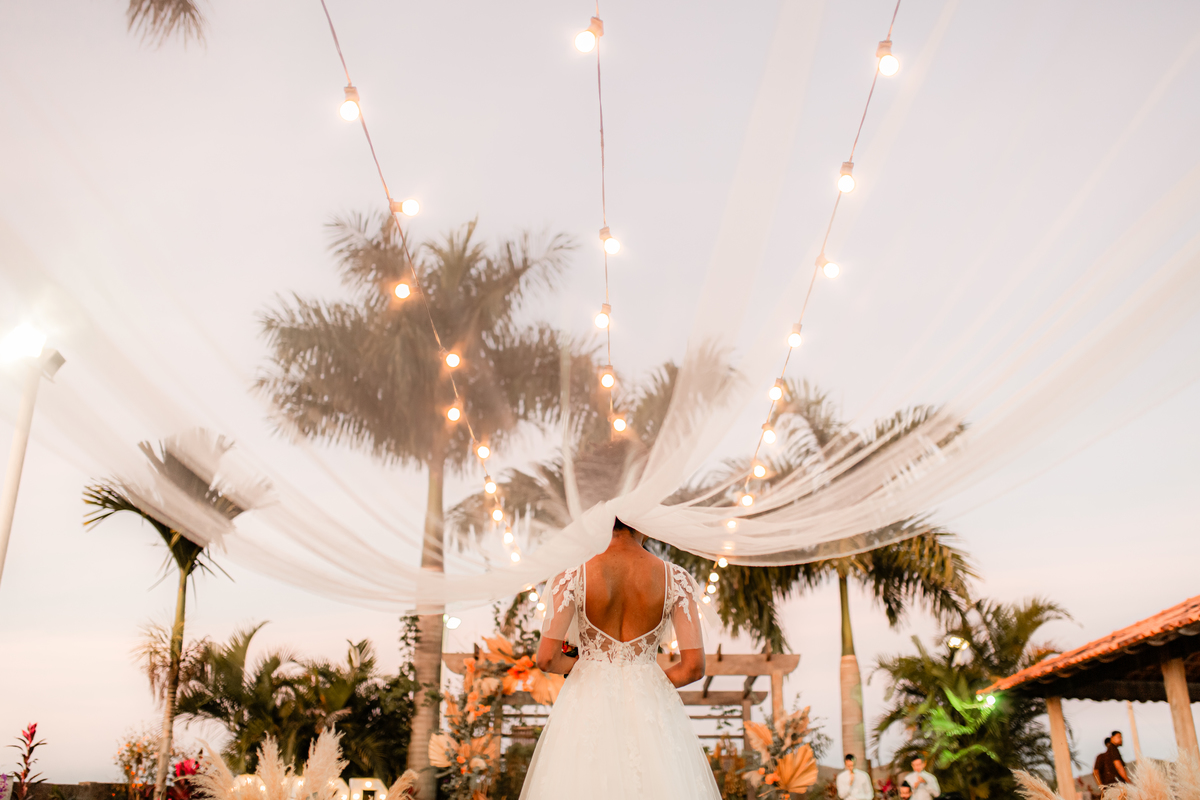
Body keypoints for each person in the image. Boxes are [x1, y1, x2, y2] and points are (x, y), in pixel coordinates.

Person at [521, 518, 720, 799]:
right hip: (650, 709)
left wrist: (589, 668)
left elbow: (547, 659)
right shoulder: (677, 579)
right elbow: (693, 668)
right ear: (646, 523)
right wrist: (645, 682)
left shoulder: (572, 575)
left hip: (587, 703)